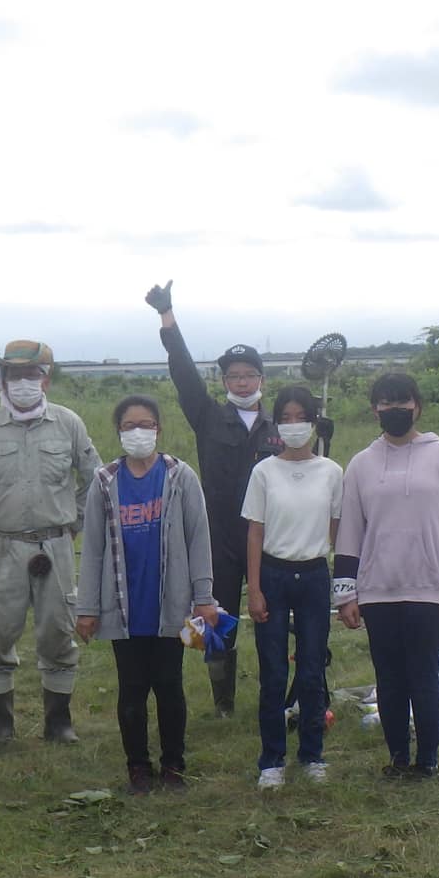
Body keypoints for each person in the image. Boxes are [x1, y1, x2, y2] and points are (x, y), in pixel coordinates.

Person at [333, 372, 439, 780]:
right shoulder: (361, 465)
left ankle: (428, 760)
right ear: (374, 409)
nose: (394, 409)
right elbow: (350, 531)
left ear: (417, 406)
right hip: (377, 590)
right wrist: (346, 593)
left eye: (402, 402)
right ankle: (398, 758)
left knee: (423, 674)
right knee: (390, 678)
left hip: (430, 586)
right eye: (386, 402)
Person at [146, 280, 283, 717]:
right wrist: (167, 317)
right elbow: (183, 372)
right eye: (234, 376)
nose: (242, 382)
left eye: (249, 375)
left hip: (269, 537)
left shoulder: (280, 426)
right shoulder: (207, 416)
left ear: (262, 380)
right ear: (224, 381)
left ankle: (276, 694)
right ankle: (223, 702)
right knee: (216, 619)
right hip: (218, 538)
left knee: (273, 617)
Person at [0, 339, 103, 745]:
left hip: (55, 545)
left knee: (58, 630)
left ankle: (59, 723)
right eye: (15, 375)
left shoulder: (69, 423)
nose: (23, 382)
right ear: (3, 380)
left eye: (31, 374)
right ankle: (0, 725)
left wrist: (75, 520)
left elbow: (95, 477)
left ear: (45, 379)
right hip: (0, 545)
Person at [77, 395, 217, 794]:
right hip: (123, 605)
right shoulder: (104, 481)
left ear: (158, 429)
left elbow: (198, 538)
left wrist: (204, 596)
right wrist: (87, 607)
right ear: (118, 431)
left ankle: (173, 764)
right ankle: (137, 766)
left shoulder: (180, 476)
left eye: (146, 424)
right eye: (129, 425)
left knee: (170, 684)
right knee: (132, 688)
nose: (138, 432)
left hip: (171, 603)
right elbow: (93, 548)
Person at [242, 385, 343, 789]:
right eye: (285, 418)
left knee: (312, 669)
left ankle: (312, 753)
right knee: (273, 671)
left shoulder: (331, 472)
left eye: (301, 417)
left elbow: (336, 529)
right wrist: (254, 588)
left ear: (314, 422)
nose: (293, 425)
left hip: (314, 575)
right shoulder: (264, 471)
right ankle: (272, 760)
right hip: (273, 575)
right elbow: (255, 532)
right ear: (276, 424)